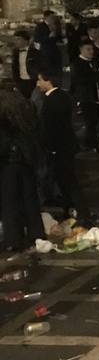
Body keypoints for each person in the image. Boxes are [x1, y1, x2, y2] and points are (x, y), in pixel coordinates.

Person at [36, 71, 91, 226]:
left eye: (40, 80)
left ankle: (83, 213)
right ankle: (69, 212)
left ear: (48, 81)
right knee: (64, 181)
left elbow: (50, 128)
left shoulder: (50, 101)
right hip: (68, 145)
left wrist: (49, 147)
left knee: (68, 181)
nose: (38, 84)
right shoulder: (63, 96)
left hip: (58, 148)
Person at [0, 90, 42, 252]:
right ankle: (36, 232)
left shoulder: (4, 120)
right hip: (26, 161)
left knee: (10, 203)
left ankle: (14, 239)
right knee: (30, 199)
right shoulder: (24, 114)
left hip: (9, 165)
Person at [69, 40, 99, 152]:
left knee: (96, 121)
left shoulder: (93, 61)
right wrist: (98, 74)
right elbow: (81, 80)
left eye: (92, 49)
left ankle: (90, 142)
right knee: (90, 122)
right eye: (88, 49)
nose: (91, 51)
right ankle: (94, 145)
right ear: (81, 50)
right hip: (86, 97)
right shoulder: (78, 64)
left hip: (96, 95)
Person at [10, 30, 38, 98]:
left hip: (33, 82)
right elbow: (14, 67)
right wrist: (16, 81)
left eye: (18, 39)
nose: (15, 41)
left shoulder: (34, 52)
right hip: (20, 82)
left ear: (25, 40)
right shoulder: (15, 52)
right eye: (15, 39)